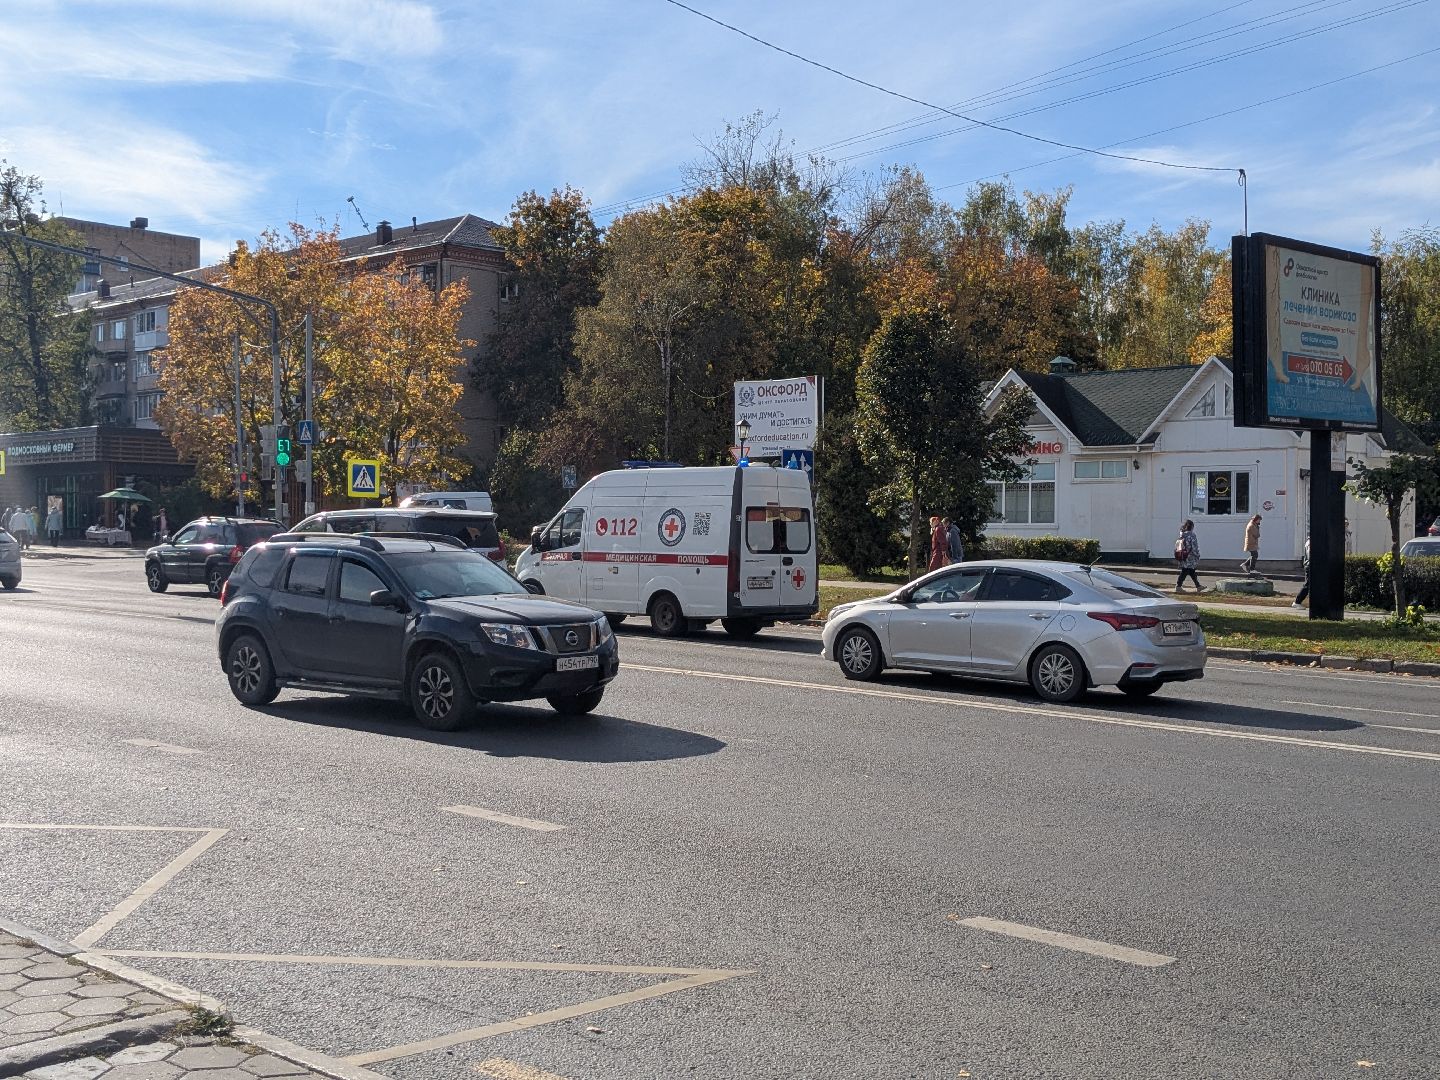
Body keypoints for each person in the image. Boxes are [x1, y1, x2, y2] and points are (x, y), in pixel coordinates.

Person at [1174, 519, 1203, 593]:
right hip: (1190, 556)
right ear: (1192, 526)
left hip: (1183, 555)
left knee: (1191, 571)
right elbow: (1194, 547)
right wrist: (1197, 555)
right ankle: (1178, 586)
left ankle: (1198, 586)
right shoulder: (1192, 535)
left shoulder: (1182, 534)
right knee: (1185, 571)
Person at [1293, 535, 1311, 608]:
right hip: (1310, 565)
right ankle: (1297, 601)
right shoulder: (1310, 543)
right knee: (1308, 585)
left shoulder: (1308, 542)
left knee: (1310, 585)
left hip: (1309, 565)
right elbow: (1310, 555)